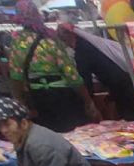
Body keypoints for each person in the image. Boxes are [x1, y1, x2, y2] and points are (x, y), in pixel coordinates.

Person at [6, 0, 96, 134]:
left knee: (51, 134)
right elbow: (72, 75)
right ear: (37, 14)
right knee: (74, 134)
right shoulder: (49, 39)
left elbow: (15, 77)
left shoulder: (17, 43)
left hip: (38, 99)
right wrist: (88, 101)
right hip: (62, 97)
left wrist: (21, 102)